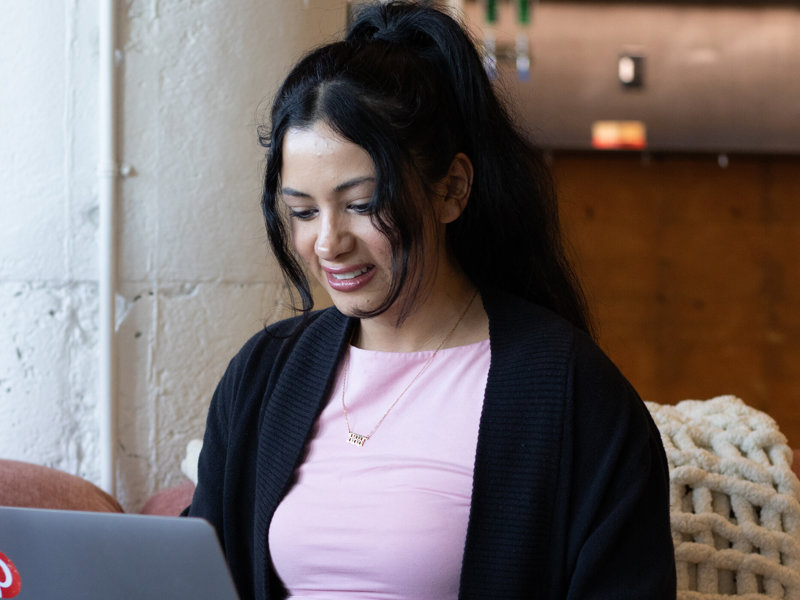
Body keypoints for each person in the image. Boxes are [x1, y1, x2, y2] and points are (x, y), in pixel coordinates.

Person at [187, 1, 676, 598]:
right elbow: (195, 573)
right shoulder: (264, 376)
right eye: (303, 212)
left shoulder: (568, 389)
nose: (329, 243)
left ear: (452, 190)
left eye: (362, 204)